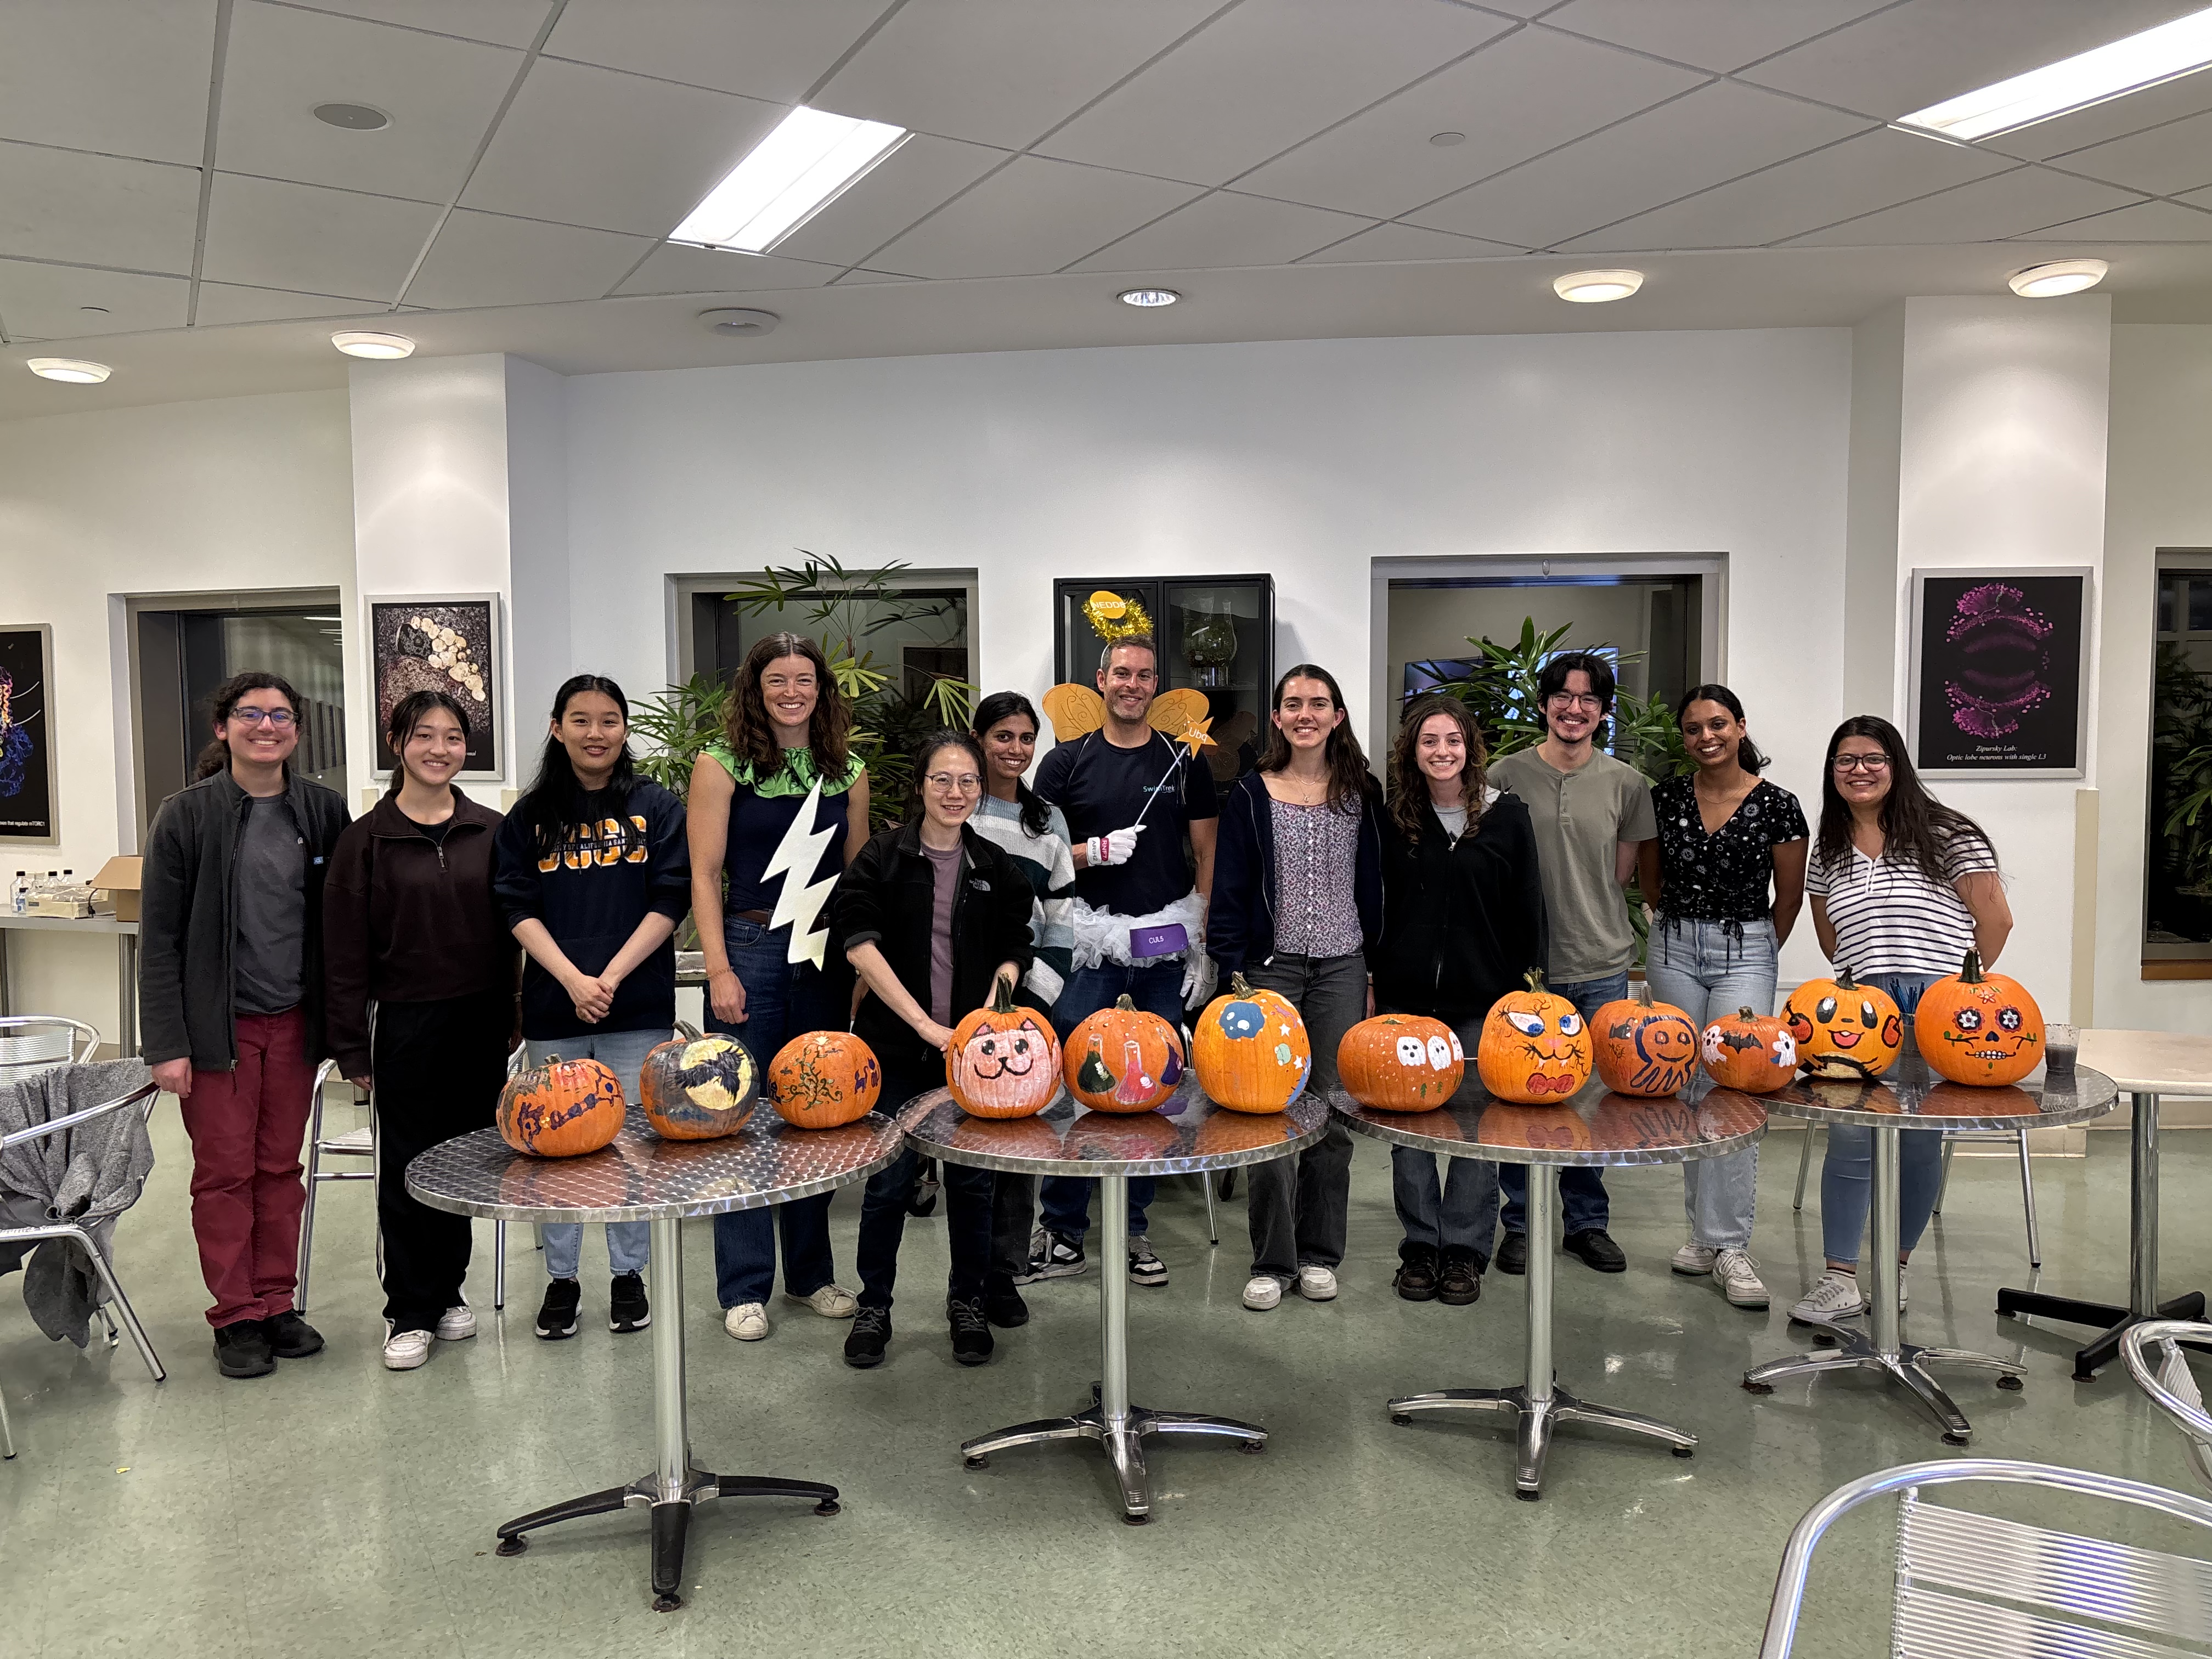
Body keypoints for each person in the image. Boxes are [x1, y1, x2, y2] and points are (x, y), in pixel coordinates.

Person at [139, 672, 351, 1379]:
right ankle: (235, 1315)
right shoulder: (187, 816)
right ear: (223, 727)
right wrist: (166, 1045)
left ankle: (277, 1302)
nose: (267, 726)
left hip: (293, 1024)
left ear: (297, 730)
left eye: (281, 716)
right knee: (224, 1175)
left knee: (278, 1170)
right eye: (251, 714)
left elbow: (343, 925)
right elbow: (160, 938)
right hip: (216, 1034)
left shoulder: (322, 812)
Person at [1792, 715, 2011, 1324]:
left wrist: (1955, 997)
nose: (1858, 770)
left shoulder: (1949, 834)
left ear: (1896, 766)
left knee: (1919, 1145)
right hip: (1860, 1015)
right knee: (1850, 1141)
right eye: (1845, 761)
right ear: (1832, 772)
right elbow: (1830, 935)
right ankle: (1839, 1278)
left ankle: (1896, 1269)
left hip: (1936, 1009)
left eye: (1872, 759)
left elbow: (1995, 922)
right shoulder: (1829, 849)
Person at [493, 675, 690, 1342]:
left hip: (636, 1005)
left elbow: (671, 901)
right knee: (557, 1147)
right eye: (581, 720)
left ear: (625, 730)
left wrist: (607, 977)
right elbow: (515, 908)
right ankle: (562, 1279)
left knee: (636, 1145)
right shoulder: (529, 817)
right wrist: (574, 980)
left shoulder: (657, 806)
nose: (596, 732)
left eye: (609, 720)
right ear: (557, 728)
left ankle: (629, 1275)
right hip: (556, 1007)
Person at [324, 690, 517, 1372]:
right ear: (397, 743)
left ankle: (450, 1292)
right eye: (424, 735)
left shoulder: (491, 831)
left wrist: (514, 1019)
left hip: (481, 1020)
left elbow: (514, 934)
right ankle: (409, 1308)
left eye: (454, 737)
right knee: (407, 1166)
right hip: (401, 1021)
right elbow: (343, 952)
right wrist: (350, 1044)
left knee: (464, 1162)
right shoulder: (365, 840)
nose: (440, 749)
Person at [833, 730, 1035, 1368]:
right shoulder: (883, 857)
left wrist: (990, 1018)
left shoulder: (993, 865)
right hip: (896, 1048)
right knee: (888, 1185)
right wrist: (923, 1025)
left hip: (972, 1058)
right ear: (920, 785)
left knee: (974, 1187)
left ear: (982, 789)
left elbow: (1015, 946)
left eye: (968, 782)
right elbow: (857, 939)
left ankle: (968, 1302)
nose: (956, 793)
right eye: (942, 780)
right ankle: (875, 1307)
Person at [1022, 636, 1217, 1289]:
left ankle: (1132, 1230)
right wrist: (1092, 851)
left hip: (1162, 951)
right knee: (1078, 1086)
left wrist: (1205, 941)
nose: (1132, 684)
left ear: (1156, 685)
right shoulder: (1063, 763)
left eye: (1145, 675)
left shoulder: (1183, 760)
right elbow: (1038, 855)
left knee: (1147, 1094)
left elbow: (1206, 855)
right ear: (1100, 680)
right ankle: (1064, 1230)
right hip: (1086, 948)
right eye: (1121, 673)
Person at [690, 634, 867, 1343]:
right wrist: (718, 968)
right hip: (750, 945)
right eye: (777, 681)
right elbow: (704, 874)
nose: (792, 692)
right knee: (738, 1114)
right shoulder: (721, 764)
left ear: (822, 691)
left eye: (804, 681)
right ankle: (743, 1285)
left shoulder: (847, 770)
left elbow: (858, 879)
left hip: (823, 951)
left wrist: (860, 967)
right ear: (755, 690)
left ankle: (812, 1274)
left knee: (814, 1112)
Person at [1209, 665, 1381, 1313]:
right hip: (1270, 971)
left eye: (1319, 703)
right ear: (1277, 718)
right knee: (1270, 1116)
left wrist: (1374, 969)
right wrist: (1234, 971)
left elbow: (1379, 885)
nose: (1305, 713)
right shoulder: (1252, 793)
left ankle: (1319, 1254)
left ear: (1337, 715)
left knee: (1332, 1116)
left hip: (1342, 966)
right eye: (1292, 704)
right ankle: (1272, 1259)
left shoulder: (1361, 792)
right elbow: (1228, 889)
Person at [1486, 652, 1657, 1276]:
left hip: (1601, 961)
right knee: (1518, 1098)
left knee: (1588, 1105)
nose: (1575, 707)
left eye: (1589, 698)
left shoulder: (1626, 784)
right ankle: (1520, 1224)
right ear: (1543, 704)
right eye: (1563, 695)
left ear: (1604, 711)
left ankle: (1587, 1224)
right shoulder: (1503, 775)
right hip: (1525, 968)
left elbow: (1621, 872)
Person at [1638, 685, 1807, 1313]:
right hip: (1675, 948)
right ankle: (1703, 1237)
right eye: (1692, 728)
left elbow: (1787, 897)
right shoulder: (1666, 799)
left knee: (1734, 1089)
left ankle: (1732, 1244)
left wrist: (1759, 949)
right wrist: (1673, 927)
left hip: (1747, 949)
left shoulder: (1778, 806)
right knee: (1686, 1086)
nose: (1705, 737)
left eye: (1717, 725)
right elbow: (1650, 880)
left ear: (1740, 727)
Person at [1373, 695, 1544, 1307]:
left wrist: (1531, 990)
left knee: (1475, 1127)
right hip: (1407, 998)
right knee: (1412, 1125)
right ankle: (1421, 1243)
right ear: (1411, 751)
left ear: (1470, 747)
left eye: (1453, 740)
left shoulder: (1508, 817)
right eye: (1429, 741)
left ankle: (1466, 1249)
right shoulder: (1393, 816)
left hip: (1485, 996)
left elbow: (1529, 905)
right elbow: (1378, 902)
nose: (1442, 751)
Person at [966, 691, 1076, 1330]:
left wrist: (1037, 1001)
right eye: (1003, 736)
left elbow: (1060, 920)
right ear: (980, 738)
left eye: (1025, 738)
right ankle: (968, 1277)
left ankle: (1004, 1274)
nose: (1015, 748)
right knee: (968, 1149)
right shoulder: (959, 804)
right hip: (959, 1001)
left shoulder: (1047, 820)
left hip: (1026, 1006)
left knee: (1017, 1148)